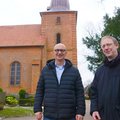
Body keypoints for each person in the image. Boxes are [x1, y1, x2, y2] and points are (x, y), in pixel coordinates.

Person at [34, 43, 85, 120]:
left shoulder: (74, 71)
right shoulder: (46, 70)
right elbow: (39, 90)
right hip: (49, 115)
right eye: (57, 50)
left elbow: (80, 92)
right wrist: (37, 109)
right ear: (53, 52)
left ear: (66, 52)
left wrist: (80, 112)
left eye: (62, 50)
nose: (59, 52)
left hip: (69, 116)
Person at [90, 35, 120, 120]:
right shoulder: (99, 71)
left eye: (109, 44)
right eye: (103, 46)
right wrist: (94, 109)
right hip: (102, 116)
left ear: (117, 45)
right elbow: (94, 92)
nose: (106, 48)